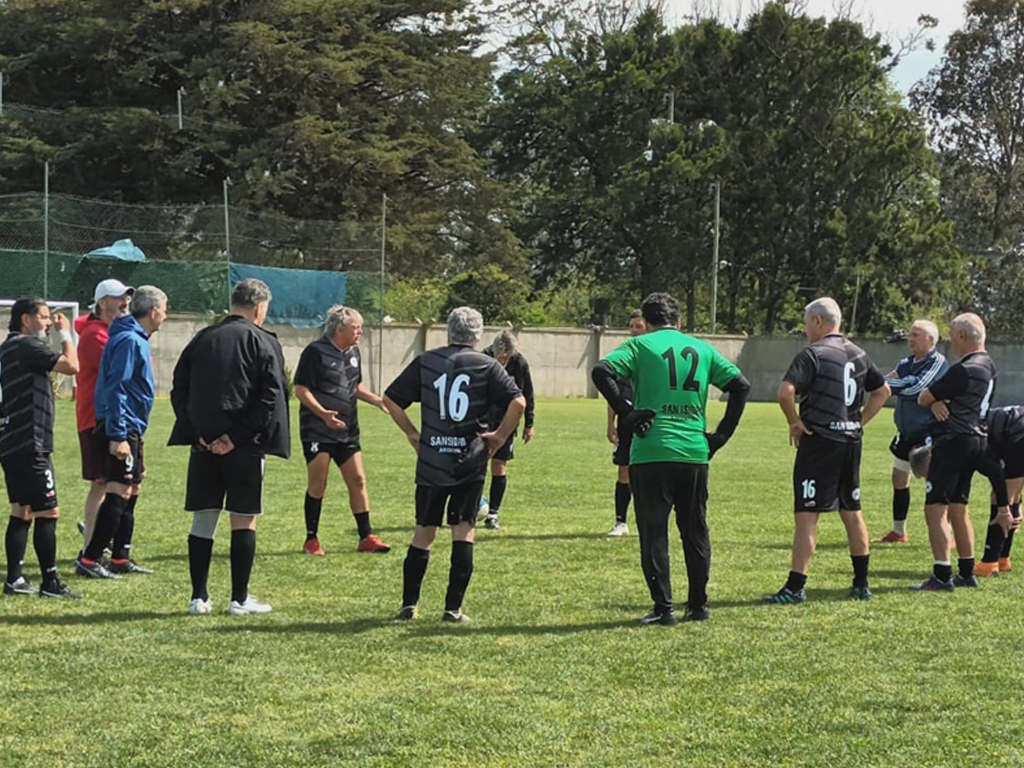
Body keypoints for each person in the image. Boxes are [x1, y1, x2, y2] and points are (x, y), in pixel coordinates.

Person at [592, 292, 750, 624]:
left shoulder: (639, 346)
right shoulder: (702, 348)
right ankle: (699, 606)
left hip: (651, 452)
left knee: (654, 532)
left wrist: (627, 412)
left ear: (646, 324)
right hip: (694, 452)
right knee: (695, 531)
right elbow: (740, 386)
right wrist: (720, 437)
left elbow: (601, 371)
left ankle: (664, 609)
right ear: (678, 322)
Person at [382, 307, 525, 622]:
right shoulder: (487, 365)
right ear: (477, 335)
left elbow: (390, 399)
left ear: (449, 332)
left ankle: (409, 605)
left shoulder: (427, 361)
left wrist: (411, 433)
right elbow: (519, 401)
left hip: (432, 460)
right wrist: (500, 436)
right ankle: (453, 609)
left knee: (423, 533)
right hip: (469, 461)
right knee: (463, 533)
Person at [169, 279, 290, 615]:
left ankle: (199, 598)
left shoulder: (202, 338)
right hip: (245, 446)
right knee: (244, 519)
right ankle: (238, 599)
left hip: (204, 445)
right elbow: (270, 396)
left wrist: (202, 433)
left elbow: (180, 388)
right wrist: (234, 437)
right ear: (259, 307)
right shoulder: (263, 341)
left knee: (203, 519)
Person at [766, 297, 890, 604]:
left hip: (820, 441)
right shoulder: (859, 353)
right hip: (850, 441)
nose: (806, 328)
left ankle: (795, 587)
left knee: (807, 514)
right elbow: (883, 390)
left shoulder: (813, 353)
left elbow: (785, 392)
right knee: (852, 511)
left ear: (819, 322)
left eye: (807, 322)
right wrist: (858, 421)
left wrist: (794, 422)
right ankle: (861, 584)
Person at [912, 313, 1014, 591]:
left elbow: (924, 396)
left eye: (952, 336)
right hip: (976, 438)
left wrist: (933, 402)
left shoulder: (964, 369)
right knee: (959, 507)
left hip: (954, 440)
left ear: (961, 336)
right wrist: (937, 402)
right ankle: (966, 572)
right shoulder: (989, 366)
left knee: (935, 509)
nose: (951, 343)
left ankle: (942, 575)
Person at [75, 287, 168, 579]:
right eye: (165, 308)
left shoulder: (134, 337)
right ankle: (90, 559)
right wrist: (118, 435)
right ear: (153, 311)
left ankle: (119, 557)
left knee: (133, 487)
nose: (167, 314)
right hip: (122, 427)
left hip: (131, 427)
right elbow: (117, 387)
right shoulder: (129, 339)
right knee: (119, 490)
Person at [0, 297, 81, 598]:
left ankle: (15, 580)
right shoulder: (26, 346)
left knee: (22, 510)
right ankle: (50, 582)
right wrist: (66, 334)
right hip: (31, 441)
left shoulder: (7, 348)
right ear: (25, 319)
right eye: (44, 317)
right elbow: (72, 366)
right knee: (49, 511)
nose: (48, 322)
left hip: (11, 441)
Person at [294, 304, 390, 556]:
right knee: (319, 482)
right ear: (339, 329)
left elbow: (356, 386)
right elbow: (301, 389)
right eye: (356, 327)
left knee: (358, 479)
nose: (360, 332)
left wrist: (378, 400)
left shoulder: (353, 352)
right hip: (317, 430)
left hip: (347, 431)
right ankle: (311, 540)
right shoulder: (315, 352)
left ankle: (366, 536)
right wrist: (323, 414)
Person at [907, 407, 1022, 578]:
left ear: (931, 457)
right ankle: (1002, 559)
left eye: (930, 473)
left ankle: (989, 564)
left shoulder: (957, 446)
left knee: (1001, 497)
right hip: (1014, 427)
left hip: (1016, 432)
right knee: (1010, 496)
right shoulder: (950, 440)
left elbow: (995, 471)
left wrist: (1005, 508)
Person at [874, 320, 948, 543]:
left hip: (927, 432)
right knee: (898, 478)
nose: (911, 338)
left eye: (916, 335)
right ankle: (899, 531)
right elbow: (889, 382)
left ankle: (948, 533)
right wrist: (897, 385)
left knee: (935, 483)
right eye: (911, 334)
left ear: (931, 340)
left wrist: (896, 386)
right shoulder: (906, 362)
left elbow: (917, 388)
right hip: (906, 431)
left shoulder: (938, 361)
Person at [74, 279, 133, 554]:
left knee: (111, 482)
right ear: (102, 303)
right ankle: (90, 548)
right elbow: (117, 371)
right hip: (94, 418)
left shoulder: (109, 331)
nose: (125, 302)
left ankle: (99, 542)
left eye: (127, 297)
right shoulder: (96, 335)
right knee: (101, 484)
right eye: (118, 297)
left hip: (106, 417)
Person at [480, 329, 535, 530]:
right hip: (483, 421)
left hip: (507, 421)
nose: (503, 361)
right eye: (500, 357)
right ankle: (471, 507)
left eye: (507, 357)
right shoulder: (482, 358)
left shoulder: (519, 363)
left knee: (499, 466)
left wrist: (529, 423)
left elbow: (527, 393)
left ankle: (493, 513)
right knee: (476, 466)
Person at [606, 310, 647, 537]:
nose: (633, 331)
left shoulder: (653, 357)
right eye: (631, 326)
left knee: (650, 472)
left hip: (650, 421)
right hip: (626, 421)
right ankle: (621, 522)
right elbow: (613, 393)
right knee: (624, 471)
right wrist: (610, 423)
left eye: (638, 326)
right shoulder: (624, 357)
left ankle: (649, 521)